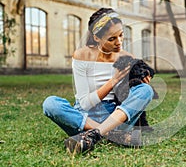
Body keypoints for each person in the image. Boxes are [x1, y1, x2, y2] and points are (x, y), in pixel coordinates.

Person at [42, 8, 154, 154]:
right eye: (112, 39)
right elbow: (85, 103)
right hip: (85, 116)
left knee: (146, 91)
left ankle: (92, 136)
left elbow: (136, 84)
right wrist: (113, 81)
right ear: (96, 38)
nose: (119, 42)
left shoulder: (127, 57)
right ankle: (112, 135)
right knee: (50, 104)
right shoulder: (82, 55)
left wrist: (144, 76)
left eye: (121, 35)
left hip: (115, 115)